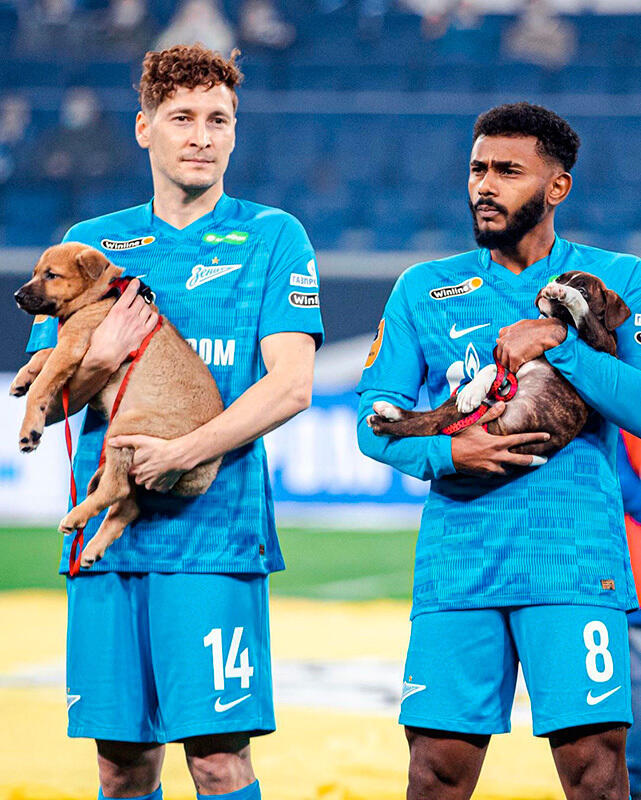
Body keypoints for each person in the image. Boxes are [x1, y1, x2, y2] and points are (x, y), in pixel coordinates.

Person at [25, 44, 323, 800]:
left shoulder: (272, 234)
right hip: (107, 540)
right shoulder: (92, 245)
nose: (201, 134)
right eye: (182, 117)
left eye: (218, 119)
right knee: (120, 766)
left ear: (234, 132)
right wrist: (105, 356)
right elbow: (50, 400)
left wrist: (181, 451)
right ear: (143, 129)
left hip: (216, 532)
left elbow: (290, 387)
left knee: (218, 759)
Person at [356, 102, 641, 799]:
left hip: (572, 563)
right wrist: (451, 458)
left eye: (507, 171)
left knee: (595, 775)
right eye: (476, 169)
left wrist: (559, 342)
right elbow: (374, 421)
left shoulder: (615, 280)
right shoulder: (422, 289)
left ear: (555, 187)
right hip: (460, 562)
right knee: (436, 775)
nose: (484, 185)